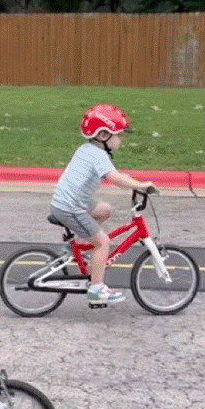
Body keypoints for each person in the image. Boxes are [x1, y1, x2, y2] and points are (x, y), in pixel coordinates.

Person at [50, 104, 154, 306]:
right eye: (119, 135)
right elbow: (114, 178)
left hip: (69, 202)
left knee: (104, 210)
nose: (121, 139)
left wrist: (131, 181)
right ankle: (96, 290)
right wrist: (140, 185)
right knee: (103, 242)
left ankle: (76, 249)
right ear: (103, 135)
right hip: (71, 207)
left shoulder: (87, 149)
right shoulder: (98, 155)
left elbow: (116, 175)